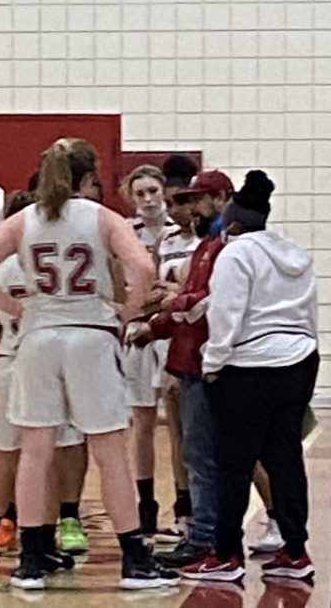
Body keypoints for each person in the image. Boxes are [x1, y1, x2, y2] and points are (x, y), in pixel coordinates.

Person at [0, 137, 179, 591]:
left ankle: (32, 561)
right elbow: (141, 266)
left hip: (38, 340)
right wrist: (129, 310)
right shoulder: (101, 217)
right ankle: (135, 560)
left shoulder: (24, 219)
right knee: (108, 451)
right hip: (90, 335)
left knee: (34, 451)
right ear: (88, 178)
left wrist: (15, 307)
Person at [181, 171, 318, 583]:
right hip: (297, 363)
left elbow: (226, 314)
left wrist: (213, 363)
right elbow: (307, 313)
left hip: (248, 368)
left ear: (235, 221)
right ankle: (295, 551)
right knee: (285, 459)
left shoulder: (236, 254)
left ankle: (225, 554)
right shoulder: (294, 252)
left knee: (232, 465)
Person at [0, 190, 83, 573]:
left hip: (11, 362)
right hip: (43, 363)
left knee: (6, 460)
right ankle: (41, 542)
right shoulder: (48, 263)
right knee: (42, 461)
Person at [133, 169, 235, 570]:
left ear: (221, 198)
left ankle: (210, 537)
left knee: (209, 453)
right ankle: (208, 532)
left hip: (209, 360)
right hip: (191, 356)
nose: (190, 206)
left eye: (199, 198)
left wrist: (163, 312)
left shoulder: (225, 247)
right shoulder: (204, 245)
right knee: (199, 450)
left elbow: (201, 302)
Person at [119, 165, 176, 535]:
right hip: (137, 328)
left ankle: (185, 502)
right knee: (141, 421)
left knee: (177, 419)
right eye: (140, 194)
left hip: (171, 330)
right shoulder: (123, 232)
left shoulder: (180, 232)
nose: (148, 200)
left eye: (153, 191)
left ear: (164, 191)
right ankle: (147, 502)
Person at [154, 154, 201, 542]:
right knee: (177, 434)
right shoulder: (166, 242)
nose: (174, 211)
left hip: (204, 342)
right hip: (171, 341)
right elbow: (161, 295)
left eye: (179, 202)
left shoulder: (213, 242)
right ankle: (185, 510)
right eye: (170, 204)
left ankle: (271, 513)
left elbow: (195, 296)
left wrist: (176, 296)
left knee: (215, 438)